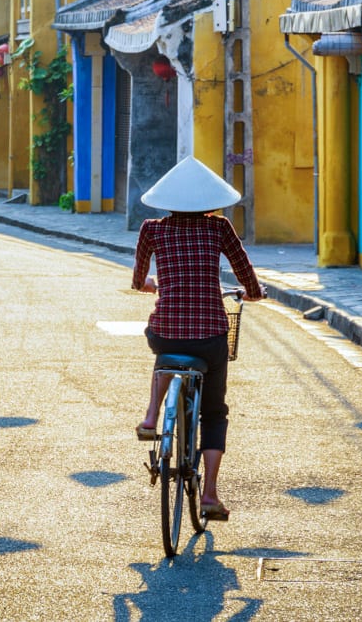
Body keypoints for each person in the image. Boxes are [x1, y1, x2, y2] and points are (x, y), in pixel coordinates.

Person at [131, 156, 266, 521]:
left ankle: (150, 417)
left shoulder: (152, 230)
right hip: (209, 335)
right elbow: (245, 271)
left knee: (165, 353)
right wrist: (253, 292)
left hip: (166, 331)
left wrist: (150, 285)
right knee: (214, 411)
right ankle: (209, 495)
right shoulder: (218, 229)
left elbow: (138, 279)